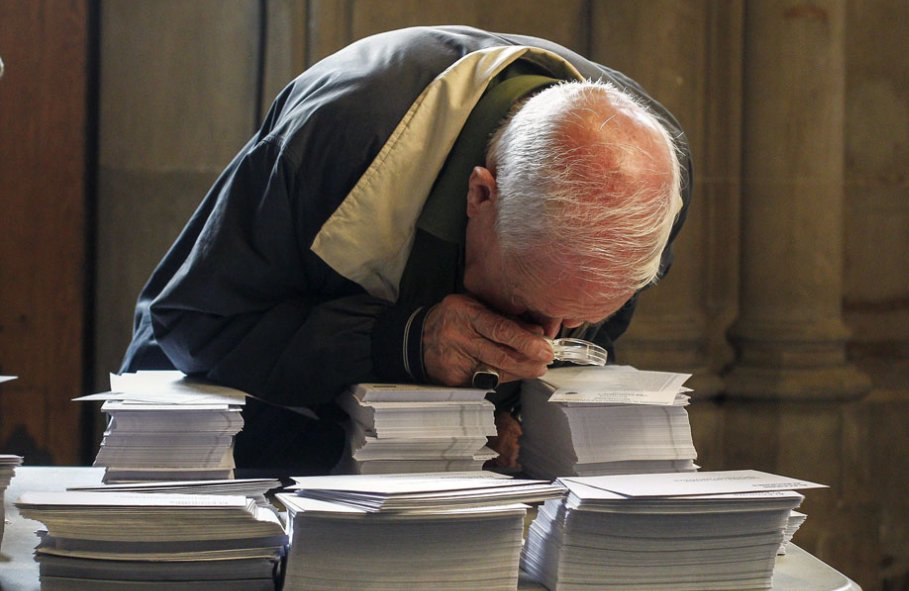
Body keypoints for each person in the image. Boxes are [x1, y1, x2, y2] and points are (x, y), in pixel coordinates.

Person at [120, 25, 692, 474]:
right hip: (222, 440)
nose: (548, 340)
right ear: (480, 194)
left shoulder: (651, 175)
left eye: (582, 316)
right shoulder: (340, 130)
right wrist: (403, 341)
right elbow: (196, 323)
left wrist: (514, 410)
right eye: (528, 307)